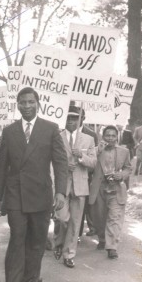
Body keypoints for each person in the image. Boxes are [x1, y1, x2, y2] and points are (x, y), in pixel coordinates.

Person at [0, 87, 68, 282]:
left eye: (30, 102)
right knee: (16, 241)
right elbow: (2, 166)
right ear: (17, 105)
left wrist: (61, 192)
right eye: (22, 102)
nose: (26, 106)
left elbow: (61, 163)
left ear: (38, 103)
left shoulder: (51, 129)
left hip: (41, 195)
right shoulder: (9, 131)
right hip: (15, 196)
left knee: (36, 243)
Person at [53, 105, 96, 268]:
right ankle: (59, 242)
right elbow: (51, 160)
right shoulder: (57, 136)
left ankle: (69, 253)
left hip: (80, 185)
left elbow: (93, 163)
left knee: (75, 221)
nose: (70, 121)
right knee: (62, 218)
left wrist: (81, 157)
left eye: (74, 118)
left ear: (80, 120)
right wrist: (64, 167)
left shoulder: (88, 139)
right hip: (62, 185)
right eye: (68, 118)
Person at [89, 125, 132, 259]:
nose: (110, 138)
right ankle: (102, 239)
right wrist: (97, 152)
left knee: (114, 217)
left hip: (116, 188)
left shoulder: (124, 151)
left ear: (117, 137)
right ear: (103, 136)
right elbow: (88, 167)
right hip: (99, 188)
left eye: (113, 136)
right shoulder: (95, 150)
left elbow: (128, 168)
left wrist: (122, 175)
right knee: (99, 217)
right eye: (108, 135)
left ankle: (112, 246)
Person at [78, 110, 99, 237]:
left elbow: (93, 157)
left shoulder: (91, 135)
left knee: (81, 206)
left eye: (77, 117)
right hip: (67, 176)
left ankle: (77, 235)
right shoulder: (61, 132)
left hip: (85, 175)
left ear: (83, 118)